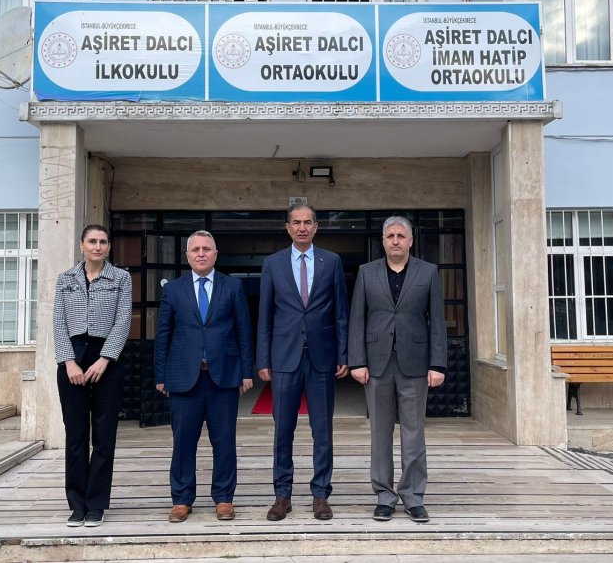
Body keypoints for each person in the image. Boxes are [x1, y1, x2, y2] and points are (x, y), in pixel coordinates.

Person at [348, 216, 446, 523]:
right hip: (376, 365)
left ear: (410, 240)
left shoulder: (428, 272)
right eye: (390, 235)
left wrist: (437, 363)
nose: (395, 240)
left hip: (415, 364)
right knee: (380, 433)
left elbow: (438, 323)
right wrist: (357, 361)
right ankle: (384, 496)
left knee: (414, 433)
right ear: (383, 240)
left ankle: (414, 496)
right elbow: (357, 320)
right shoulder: (367, 272)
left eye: (400, 235)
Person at [256, 203, 349, 521]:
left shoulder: (332, 261)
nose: (302, 227)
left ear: (316, 226)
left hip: (323, 357)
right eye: (296, 222)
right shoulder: (273, 263)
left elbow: (341, 313)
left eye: (308, 222)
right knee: (283, 429)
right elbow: (265, 314)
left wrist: (343, 354)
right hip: (284, 357)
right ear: (287, 228)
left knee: (322, 430)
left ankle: (321, 494)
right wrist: (263, 358)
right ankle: (282, 495)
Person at [155, 231, 254, 523]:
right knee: (183, 442)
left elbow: (244, 333)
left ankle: (224, 498)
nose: (201, 253)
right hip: (184, 378)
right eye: (195, 249)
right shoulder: (173, 290)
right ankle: (181, 499)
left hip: (223, 377)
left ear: (215, 254)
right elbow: (163, 335)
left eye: (206, 249)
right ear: (187, 256)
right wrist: (161, 375)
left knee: (224, 441)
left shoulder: (233, 287)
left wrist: (246, 372)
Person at [52, 224, 132, 528]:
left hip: (106, 362)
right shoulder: (65, 279)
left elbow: (123, 320)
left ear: (109, 247)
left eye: (102, 242)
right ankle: (77, 503)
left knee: (103, 437)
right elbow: (58, 321)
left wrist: (105, 359)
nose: (97, 246)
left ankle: (97, 504)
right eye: (92, 241)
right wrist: (68, 361)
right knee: (75, 436)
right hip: (72, 357)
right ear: (81, 245)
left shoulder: (121, 278)